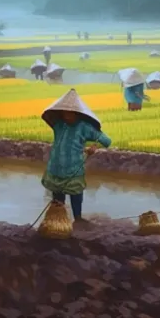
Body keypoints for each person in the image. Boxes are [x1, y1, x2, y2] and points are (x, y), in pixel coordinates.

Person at [41, 89, 112, 223]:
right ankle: (59, 221)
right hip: (55, 167)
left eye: (71, 112)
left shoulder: (85, 127)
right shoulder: (58, 124)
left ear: (78, 113)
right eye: (64, 111)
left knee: (75, 195)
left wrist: (93, 148)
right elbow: (47, 115)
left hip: (73, 168)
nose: (67, 115)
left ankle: (78, 220)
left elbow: (107, 141)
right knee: (57, 200)